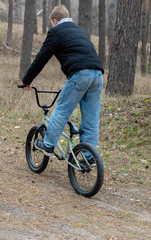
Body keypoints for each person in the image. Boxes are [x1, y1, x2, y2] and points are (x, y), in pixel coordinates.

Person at [20, 5, 104, 163]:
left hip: (80, 74)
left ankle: (48, 145)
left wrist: (26, 81)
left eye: (52, 23)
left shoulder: (56, 31)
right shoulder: (79, 30)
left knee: (61, 111)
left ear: (54, 20)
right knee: (91, 118)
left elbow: (41, 59)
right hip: (97, 75)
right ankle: (88, 157)